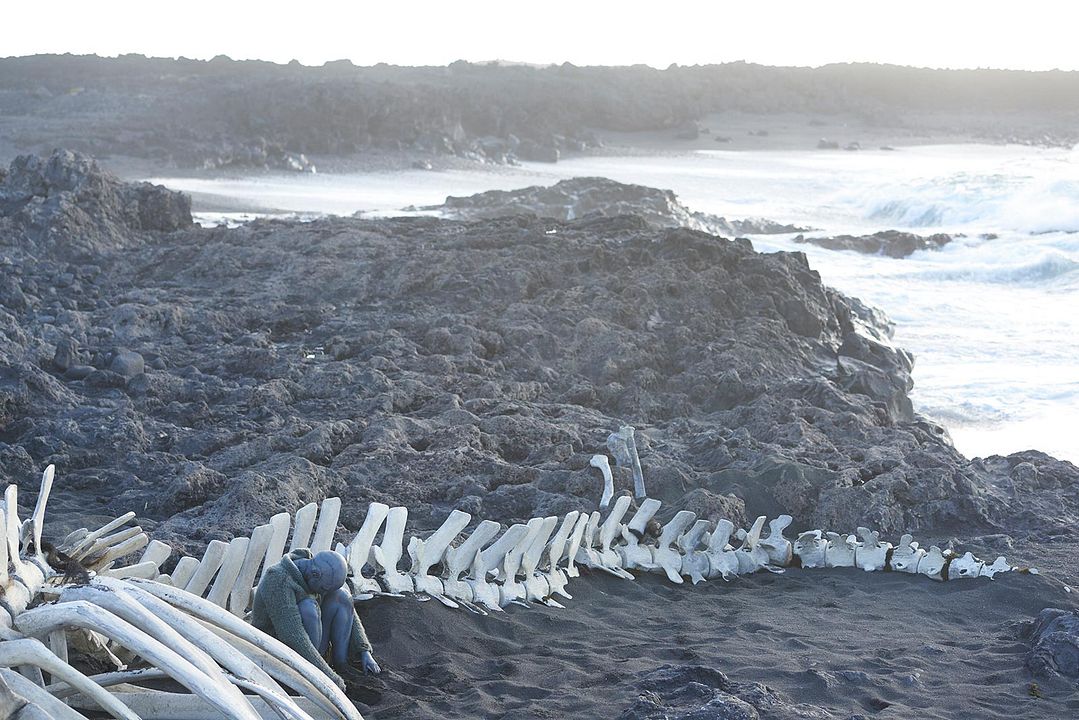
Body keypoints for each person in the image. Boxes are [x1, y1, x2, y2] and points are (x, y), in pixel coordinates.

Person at [251, 548, 380, 688]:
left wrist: (364, 650)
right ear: (315, 574)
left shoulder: (313, 568)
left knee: (342, 596)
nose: (324, 593)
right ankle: (314, 673)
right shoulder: (278, 579)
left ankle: (342, 665)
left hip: (313, 645)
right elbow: (294, 636)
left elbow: (348, 610)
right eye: (324, 589)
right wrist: (329, 679)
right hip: (280, 651)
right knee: (308, 608)